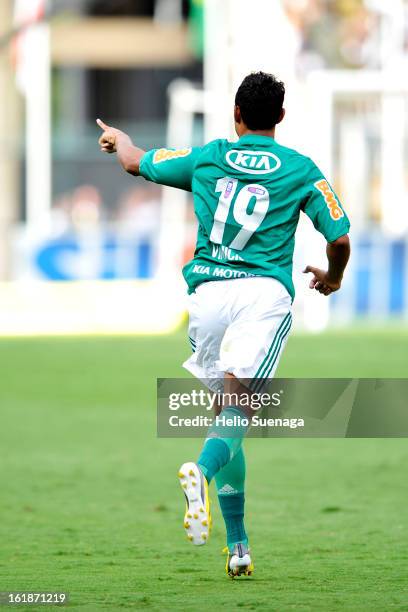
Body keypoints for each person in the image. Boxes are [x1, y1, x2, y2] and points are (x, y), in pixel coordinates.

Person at [97, 71, 351, 577]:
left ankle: (238, 548)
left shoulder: (209, 156)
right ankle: (202, 470)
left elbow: (133, 162)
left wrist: (121, 139)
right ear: (280, 117)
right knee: (239, 410)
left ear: (236, 114)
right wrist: (334, 278)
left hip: (207, 297)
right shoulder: (301, 169)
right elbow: (340, 238)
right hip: (262, 295)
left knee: (225, 412)